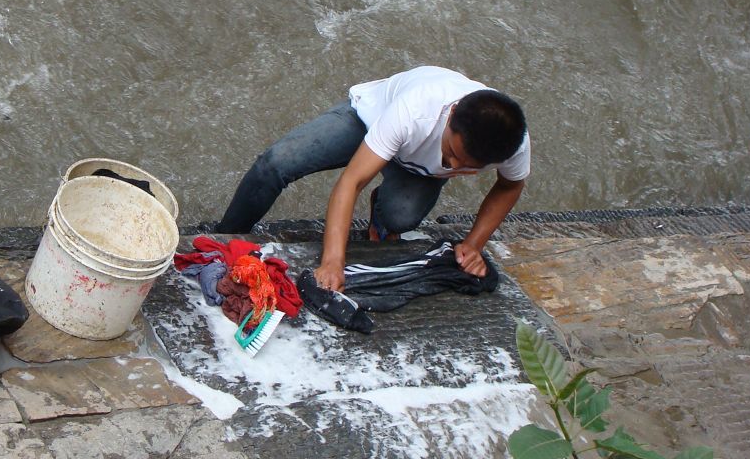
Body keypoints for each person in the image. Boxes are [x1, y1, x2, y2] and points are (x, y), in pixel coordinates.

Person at [215, 65, 529, 291]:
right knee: (277, 162)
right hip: (370, 120)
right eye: (451, 152)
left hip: (415, 165)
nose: (451, 164)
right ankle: (224, 236)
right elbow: (351, 182)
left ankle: (381, 213)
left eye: (466, 167)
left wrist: (473, 245)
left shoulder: (513, 143)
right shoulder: (415, 110)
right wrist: (333, 261)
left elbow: (510, 185)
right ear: (451, 115)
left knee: (400, 218)